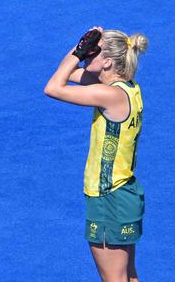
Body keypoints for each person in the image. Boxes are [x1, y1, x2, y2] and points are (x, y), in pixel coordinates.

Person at [44, 28, 147, 282]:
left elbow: (53, 87)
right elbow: (70, 74)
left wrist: (78, 51)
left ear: (108, 61)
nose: (88, 56)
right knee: (128, 276)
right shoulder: (127, 89)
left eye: (94, 53)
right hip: (125, 193)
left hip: (108, 197)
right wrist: (80, 51)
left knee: (114, 278)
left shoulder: (108, 94)